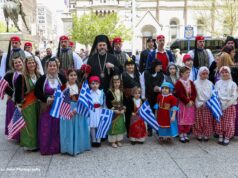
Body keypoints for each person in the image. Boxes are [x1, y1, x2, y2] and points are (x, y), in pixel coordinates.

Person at [35, 57, 67, 155]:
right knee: (46, 127)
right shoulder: (42, 78)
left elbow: (66, 90)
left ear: (57, 67)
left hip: (58, 107)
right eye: (50, 66)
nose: (52, 67)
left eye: (54, 66)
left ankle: (57, 148)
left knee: (57, 127)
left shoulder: (61, 77)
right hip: (47, 106)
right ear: (47, 67)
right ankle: (46, 148)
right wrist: (46, 99)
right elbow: (37, 92)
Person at [60, 68, 91, 155]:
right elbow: (60, 100)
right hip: (66, 109)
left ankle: (79, 146)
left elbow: (84, 100)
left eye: (74, 75)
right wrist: (67, 110)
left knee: (79, 127)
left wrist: (76, 109)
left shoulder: (80, 86)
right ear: (67, 76)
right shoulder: (63, 87)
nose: (73, 77)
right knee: (68, 128)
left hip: (78, 109)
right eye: (71, 75)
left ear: (77, 76)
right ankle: (68, 147)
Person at [15, 55, 41, 150]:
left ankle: (38, 143)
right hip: (27, 104)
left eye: (33, 62)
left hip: (38, 103)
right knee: (30, 124)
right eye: (29, 63)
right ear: (26, 65)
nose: (31, 64)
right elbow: (17, 92)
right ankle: (30, 145)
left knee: (38, 123)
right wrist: (19, 103)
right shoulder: (21, 77)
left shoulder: (39, 75)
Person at [215, 66, 237, 145]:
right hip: (219, 105)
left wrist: (227, 102)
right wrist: (221, 100)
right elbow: (216, 93)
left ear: (229, 73)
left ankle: (227, 136)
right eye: (223, 72)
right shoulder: (218, 83)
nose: (224, 74)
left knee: (229, 122)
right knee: (219, 121)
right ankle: (220, 135)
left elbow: (234, 95)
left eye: (226, 72)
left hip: (229, 105)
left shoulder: (233, 84)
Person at [141, 60, 164, 136]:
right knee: (149, 113)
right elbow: (143, 84)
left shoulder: (161, 74)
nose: (160, 68)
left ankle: (158, 128)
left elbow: (163, 85)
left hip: (158, 96)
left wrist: (159, 88)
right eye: (159, 66)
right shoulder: (145, 73)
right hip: (149, 96)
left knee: (158, 113)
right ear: (154, 66)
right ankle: (149, 129)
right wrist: (143, 96)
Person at [4, 56, 24, 141]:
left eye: (19, 62)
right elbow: (4, 86)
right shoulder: (10, 75)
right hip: (13, 100)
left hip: (24, 100)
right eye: (15, 63)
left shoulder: (26, 73)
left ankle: (23, 136)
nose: (18, 64)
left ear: (23, 62)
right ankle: (15, 136)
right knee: (14, 118)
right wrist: (12, 94)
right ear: (13, 65)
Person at [174, 66, 197, 143]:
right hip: (182, 104)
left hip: (190, 104)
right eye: (186, 73)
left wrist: (192, 100)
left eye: (189, 73)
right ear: (181, 73)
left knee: (188, 119)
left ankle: (186, 133)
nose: (188, 74)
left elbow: (194, 92)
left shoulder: (191, 82)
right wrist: (187, 102)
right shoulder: (178, 83)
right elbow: (180, 94)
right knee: (182, 119)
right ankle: (181, 134)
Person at [193, 67, 214, 142]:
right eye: (203, 74)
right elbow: (194, 94)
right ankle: (199, 133)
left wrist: (207, 102)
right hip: (198, 104)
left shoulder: (210, 83)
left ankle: (206, 134)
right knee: (198, 120)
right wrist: (198, 103)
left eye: (206, 74)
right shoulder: (195, 83)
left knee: (207, 120)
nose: (205, 75)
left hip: (207, 105)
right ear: (199, 74)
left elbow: (212, 94)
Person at [106, 75, 126, 148]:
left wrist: (123, 108)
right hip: (114, 112)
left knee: (120, 126)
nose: (117, 84)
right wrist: (114, 110)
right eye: (115, 82)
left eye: (118, 82)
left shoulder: (121, 91)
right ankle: (112, 141)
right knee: (113, 126)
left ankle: (118, 140)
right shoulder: (109, 92)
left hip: (120, 111)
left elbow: (123, 101)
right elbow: (107, 102)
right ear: (112, 83)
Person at [122, 58, 140, 135]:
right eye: (128, 65)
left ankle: (136, 131)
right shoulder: (123, 74)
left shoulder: (137, 74)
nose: (130, 66)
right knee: (129, 115)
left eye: (132, 65)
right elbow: (121, 87)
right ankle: (130, 133)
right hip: (127, 98)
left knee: (136, 114)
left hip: (136, 98)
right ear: (125, 66)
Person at [89, 76, 104, 147]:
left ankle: (98, 140)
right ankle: (93, 140)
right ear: (90, 85)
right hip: (91, 110)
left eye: (96, 83)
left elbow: (103, 103)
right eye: (93, 83)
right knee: (92, 125)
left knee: (99, 125)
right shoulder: (89, 92)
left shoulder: (101, 92)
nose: (95, 85)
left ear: (99, 84)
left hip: (99, 110)